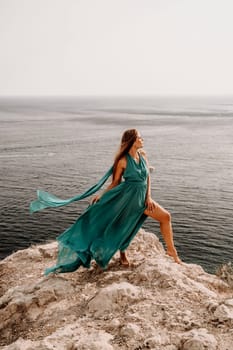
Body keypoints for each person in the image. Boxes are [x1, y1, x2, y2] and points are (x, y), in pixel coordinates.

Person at [30, 129, 181, 275]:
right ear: (132, 141)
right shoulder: (122, 161)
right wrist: (101, 195)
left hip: (142, 198)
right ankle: (121, 254)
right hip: (126, 199)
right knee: (121, 227)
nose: (142, 139)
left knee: (166, 217)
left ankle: (171, 251)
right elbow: (115, 182)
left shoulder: (142, 155)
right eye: (140, 137)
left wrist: (148, 197)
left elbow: (147, 177)